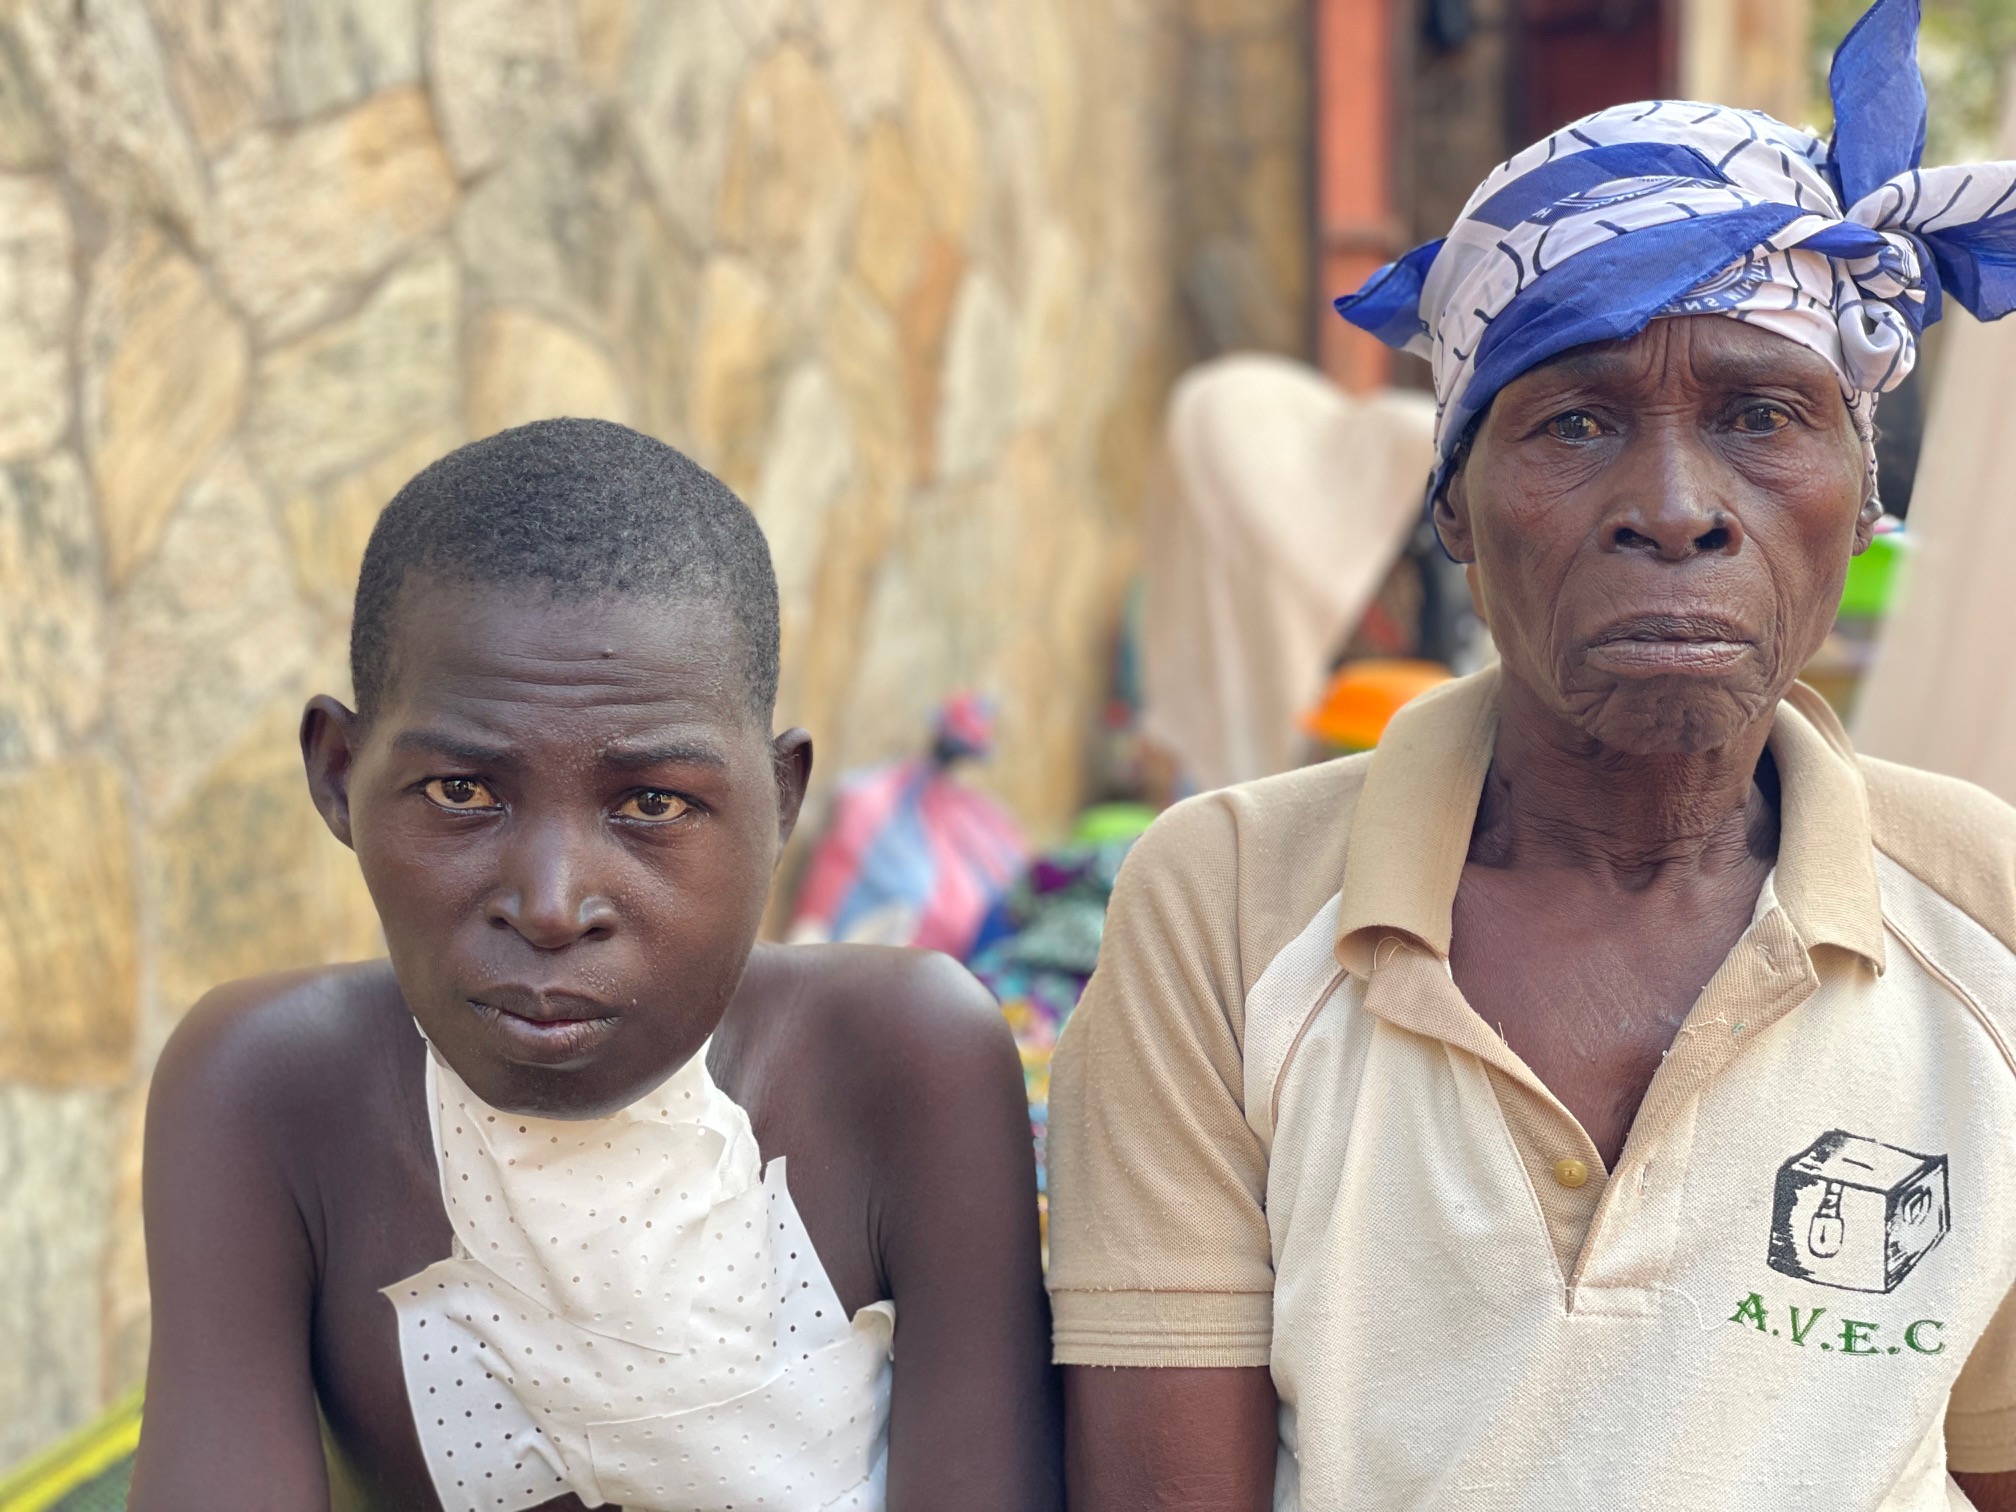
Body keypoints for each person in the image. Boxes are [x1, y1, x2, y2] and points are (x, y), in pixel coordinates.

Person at [1046, 1, 2016, 1508]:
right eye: (1573, 425)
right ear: (1453, 502)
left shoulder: (1989, 912)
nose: (1676, 508)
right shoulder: (1228, 904)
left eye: (1763, 415)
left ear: (1860, 489)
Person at [130, 419, 1060, 1512]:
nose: (551, 905)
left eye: (653, 803)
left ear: (780, 803)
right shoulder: (271, 1091)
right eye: (462, 793)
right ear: (340, 774)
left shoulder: (903, 1060)